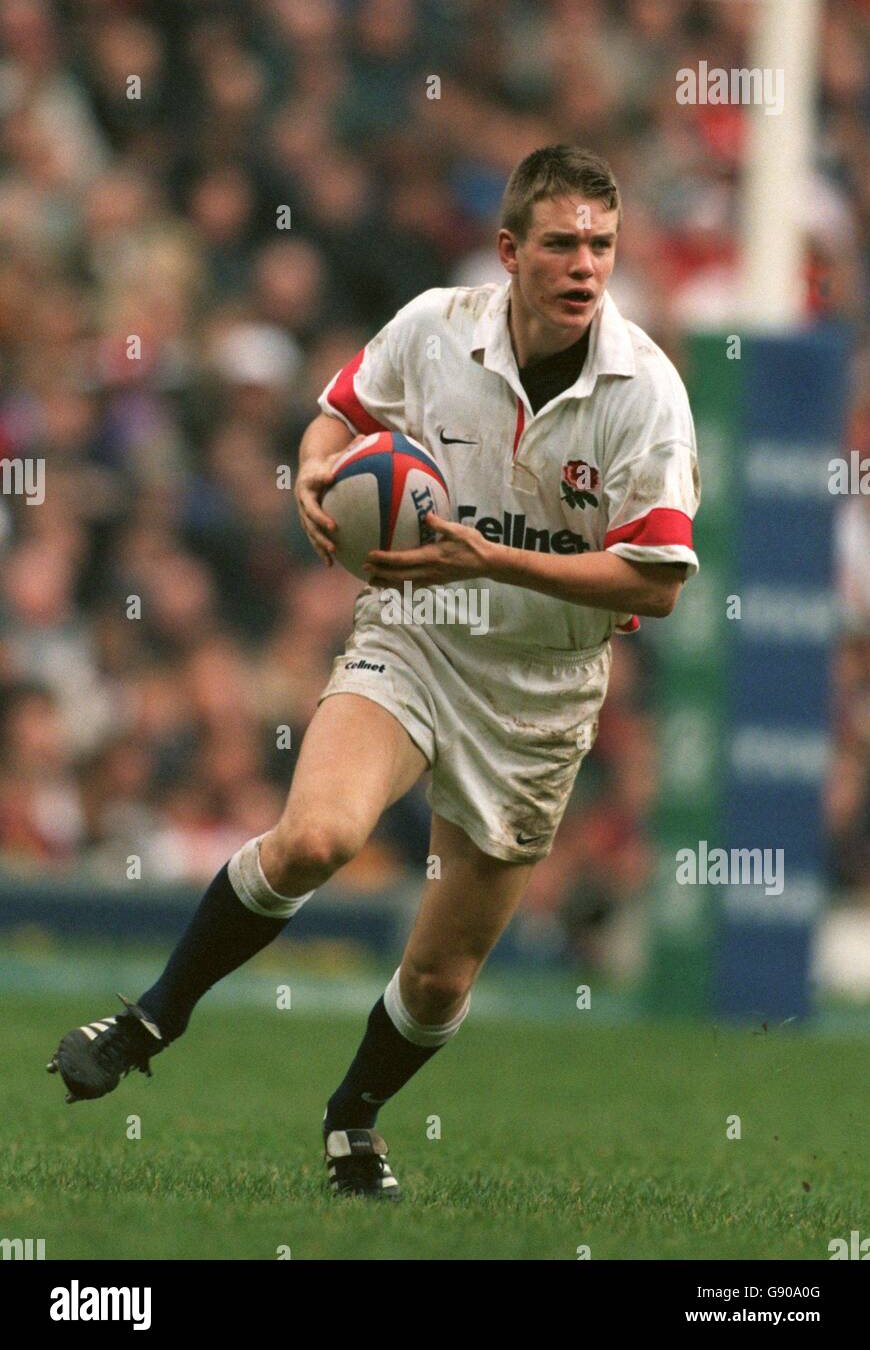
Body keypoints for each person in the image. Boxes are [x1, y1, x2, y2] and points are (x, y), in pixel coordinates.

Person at [47, 146, 700, 1199]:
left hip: (540, 689)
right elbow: (342, 416)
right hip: (416, 630)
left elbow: (655, 582)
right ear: (509, 252)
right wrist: (311, 469)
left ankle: (353, 1117)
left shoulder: (647, 392)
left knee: (441, 976)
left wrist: (491, 556)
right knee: (317, 836)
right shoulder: (433, 327)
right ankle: (146, 1020)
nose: (585, 266)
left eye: (602, 246)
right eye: (562, 244)